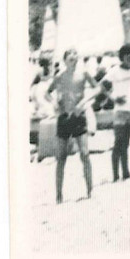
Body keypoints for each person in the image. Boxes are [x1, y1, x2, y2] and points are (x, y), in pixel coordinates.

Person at [47, 48, 97, 204]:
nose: (74, 58)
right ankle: (59, 195)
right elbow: (47, 93)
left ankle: (90, 190)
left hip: (78, 117)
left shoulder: (84, 74)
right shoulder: (59, 76)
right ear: (65, 60)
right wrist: (54, 103)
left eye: (76, 56)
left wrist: (84, 102)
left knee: (85, 154)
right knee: (61, 157)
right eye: (70, 56)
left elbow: (97, 88)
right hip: (64, 117)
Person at [106, 43, 130, 183]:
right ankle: (115, 175)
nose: (129, 58)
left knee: (126, 143)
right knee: (118, 142)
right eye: (127, 55)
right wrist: (114, 98)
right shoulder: (114, 71)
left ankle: (126, 172)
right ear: (122, 56)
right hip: (120, 111)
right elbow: (103, 87)